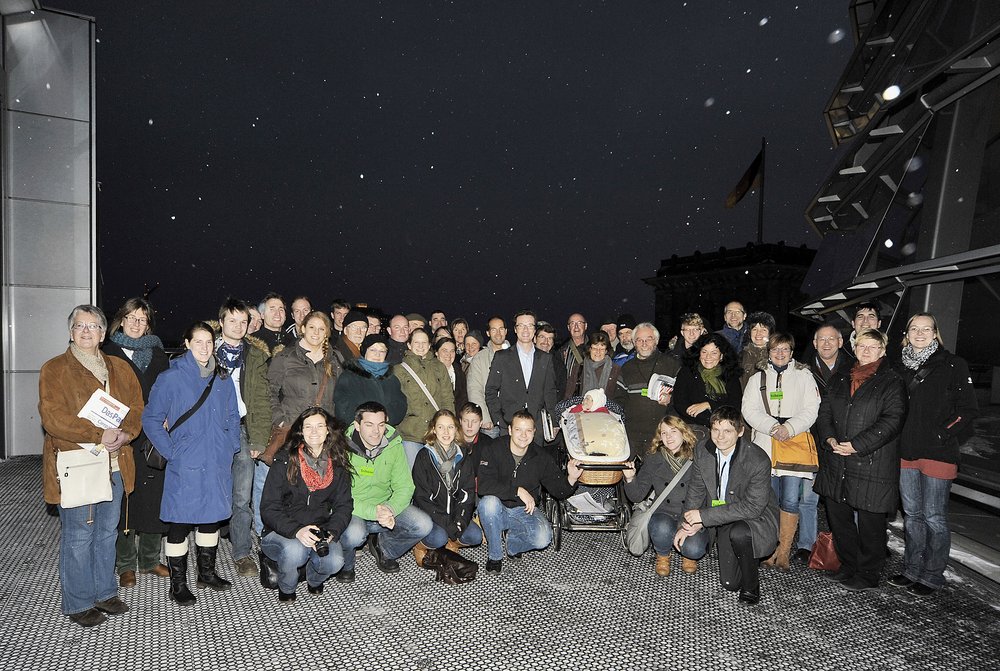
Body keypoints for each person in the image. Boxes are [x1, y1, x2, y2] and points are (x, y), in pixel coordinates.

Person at [40, 305, 144, 627]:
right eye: (79, 326)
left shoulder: (120, 368)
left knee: (106, 533)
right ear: (71, 333)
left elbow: (137, 408)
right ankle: (78, 602)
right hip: (79, 464)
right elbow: (54, 419)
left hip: (116, 463)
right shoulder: (54, 369)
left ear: (102, 334)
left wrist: (126, 434)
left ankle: (104, 592)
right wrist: (99, 434)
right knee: (79, 536)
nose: (86, 331)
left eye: (93, 326)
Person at [142, 321, 241, 606]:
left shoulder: (222, 377)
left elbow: (233, 417)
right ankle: (178, 584)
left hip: (217, 459)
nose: (204, 347)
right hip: (185, 461)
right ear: (186, 344)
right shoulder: (171, 378)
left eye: (209, 342)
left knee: (211, 517)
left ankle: (206, 574)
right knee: (180, 522)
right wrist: (171, 451)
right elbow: (151, 419)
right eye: (198, 341)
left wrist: (231, 446)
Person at [889, 313, 978, 596]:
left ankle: (932, 575)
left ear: (935, 333)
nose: (920, 333)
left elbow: (968, 409)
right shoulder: (899, 366)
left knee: (934, 517)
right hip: (906, 453)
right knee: (912, 516)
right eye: (914, 329)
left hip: (939, 454)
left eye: (926, 329)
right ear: (906, 334)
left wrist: (942, 434)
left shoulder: (952, 364)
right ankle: (911, 569)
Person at [814, 329, 907, 592]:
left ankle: (868, 574)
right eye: (861, 345)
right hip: (838, 460)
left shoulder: (892, 381)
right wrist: (829, 439)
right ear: (854, 349)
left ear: (882, 350)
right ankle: (848, 565)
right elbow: (824, 412)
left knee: (870, 522)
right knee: (839, 517)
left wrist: (857, 445)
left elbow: (892, 420)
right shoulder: (840, 378)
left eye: (872, 346)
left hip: (872, 461)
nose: (866, 351)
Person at [673, 407, 779, 605]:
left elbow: (753, 507)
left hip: (751, 518)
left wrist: (704, 517)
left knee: (740, 534)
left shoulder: (757, 460)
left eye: (727, 431)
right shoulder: (702, 450)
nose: (720, 437)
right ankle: (741, 551)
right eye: (715, 430)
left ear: (740, 431)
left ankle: (751, 585)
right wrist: (685, 524)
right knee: (729, 583)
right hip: (719, 513)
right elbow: (696, 490)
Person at [104, 298, 171, 589]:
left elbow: (167, 390)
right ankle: (126, 564)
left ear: (148, 325)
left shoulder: (158, 353)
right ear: (121, 320)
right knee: (126, 497)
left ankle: (149, 558)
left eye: (142, 319)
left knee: (154, 495)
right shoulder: (108, 352)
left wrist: (168, 417)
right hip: (122, 433)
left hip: (153, 433)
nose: (135, 323)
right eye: (131, 317)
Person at [740, 333, 820, 571]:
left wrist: (789, 428)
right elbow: (749, 409)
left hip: (793, 442)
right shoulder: (758, 378)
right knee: (770, 498)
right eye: (775, 349)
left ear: (792, 352)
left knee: (790, 499)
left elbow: (812, 408)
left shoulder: (804, 376)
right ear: (769, 353)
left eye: (785, 349)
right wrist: (773, 427)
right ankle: (770, 547)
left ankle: (783, 551)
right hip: (766, 442)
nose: (780, 353)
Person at [260, 310, 342, 535]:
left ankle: (315, 529)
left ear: (327, 333)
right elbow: (268, 392)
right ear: (302, 328)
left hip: (322, 434)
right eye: (312, 327)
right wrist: (280, 418)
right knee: (282, 482)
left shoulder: (334, 360)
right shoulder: (285, 357)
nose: (316, 332)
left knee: (317, 482)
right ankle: (269, 534)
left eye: (322, 329)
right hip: (292, 431)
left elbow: (340, 395)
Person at [259, 408, 354, 601]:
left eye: (320, 426)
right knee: (296, 551)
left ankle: (313, 578)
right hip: (282, 529)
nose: (314, 431)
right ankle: (287, 588)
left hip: (320, 527)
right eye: (308, 427)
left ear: (328, 430)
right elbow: (269, 507)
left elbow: (344, 505)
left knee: (335, 561)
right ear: (301, 431)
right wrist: (296, 531)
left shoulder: (337, 463)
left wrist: (332, 532)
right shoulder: (285, 460)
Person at [476, 411, 583, 573]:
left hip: (524, 510)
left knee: (543, 539)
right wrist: (517, 491)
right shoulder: (493, 448)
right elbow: (484, 486)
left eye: (528, 430)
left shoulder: (541, 457)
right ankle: (495, 555)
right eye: (518, 429)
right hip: (498, 508)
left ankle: (513, 543)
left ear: (534, 432)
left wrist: (571, 478)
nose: (523, 435)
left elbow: (558, 491)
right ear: (510, 430)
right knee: (488, 503)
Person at [338, 402, 434, 581]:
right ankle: (347, 564)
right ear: (357, 425)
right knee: (354, 535)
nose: (376, 431)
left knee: (423, 524)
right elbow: (339, 497)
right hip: (353, 508)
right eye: (369, 425)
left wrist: (390, 508)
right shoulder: (341, 448)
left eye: (381, 425)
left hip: (384, 505)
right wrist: (373, 512)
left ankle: (384, 548)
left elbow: (405, 486)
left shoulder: (393, 444)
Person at [214, 298, 272, 578]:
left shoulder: (256, 356)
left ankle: (241, 552)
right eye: (232, 321)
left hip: (242, 429)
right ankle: (205, 554)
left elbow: (261, 401)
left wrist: (259, 440)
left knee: (241, 495)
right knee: (211, 490)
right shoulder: (205, 350)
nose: (238, 327)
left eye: (243, 322)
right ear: (221, 322)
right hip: (211, 430)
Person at [624, 415, 700, 576]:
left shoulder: (698, 457)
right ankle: (663, 554)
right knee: (661, 528)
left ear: (683, 433)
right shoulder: (654, 458)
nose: (668, 437)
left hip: (690, 514)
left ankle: (688, 555)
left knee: (695, 549)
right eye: (664, 433)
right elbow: (637, 496)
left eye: (673, 431)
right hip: (664, 511)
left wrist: (701, 520)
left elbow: (707, 493)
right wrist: (630, 478)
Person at [411, 410, 483, 567]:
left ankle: (452, 544)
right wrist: (446, 522)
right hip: (431, 514)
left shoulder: (463, 456)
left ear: (456, 429)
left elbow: (467, 493)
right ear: (434, 429)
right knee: (439, 537)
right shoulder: (424, 456)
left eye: (450, 427)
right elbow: (422, 497)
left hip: (454, 512)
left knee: (475, 536)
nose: (446, 432)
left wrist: (460, 521)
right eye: (441, 427)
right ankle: (419, 546)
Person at [485, 310, 559, 435]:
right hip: (509, 426)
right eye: (521, 325)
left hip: (536, 427)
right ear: (515, 329)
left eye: (530, 325)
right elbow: (490, 390)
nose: (525, 330)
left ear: (534, 330)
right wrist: (499, 420)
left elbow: (550, 393)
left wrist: (553, 422)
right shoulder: (502, 357)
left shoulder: (545, 359)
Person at [614, 322, 680, 460]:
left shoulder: (671, 364)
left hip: (661, 436)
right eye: (639, 340)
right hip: (631, 435)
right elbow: (619, 400)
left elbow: (683, 396)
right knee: (630, 472)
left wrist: (671, 399)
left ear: (656, 341)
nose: (644, 344)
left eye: (648, 339)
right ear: (634, 343)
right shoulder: (627, 368)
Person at [395, 328, 456, 467]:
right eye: (417, 342)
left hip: (436, 432)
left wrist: (449, 426)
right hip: (410, 433)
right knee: (414, 473)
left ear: (429, 345)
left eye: (424, 342)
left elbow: (447, 398)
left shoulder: (439, 367)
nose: (421, 346)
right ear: (409, 345)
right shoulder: (399, 370)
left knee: (437, 473)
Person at [333, 333, 406, 426]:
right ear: (364, 351)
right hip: (358, 429)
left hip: (385, 428)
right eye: (373, 350)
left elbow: (400, 403)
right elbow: (342, 404)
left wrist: (388, 417)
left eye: (382, 351)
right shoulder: (349, 376)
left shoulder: (391, 379)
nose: (377, 354)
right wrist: (363, 422)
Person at [672, 333, 742, 427]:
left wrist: (709, 405)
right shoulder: (687, 372)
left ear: (721, 356)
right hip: (692, 426)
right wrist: (707, 420)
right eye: (704, 352)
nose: (708, 357)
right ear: (699, 353)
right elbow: (680, 403)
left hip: (723, 426)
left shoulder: (730, 375)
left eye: (714, 353)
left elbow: (735, 405)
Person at [465, 316, 509, 438]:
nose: (498, 333)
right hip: (490, 422)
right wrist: (484, 417)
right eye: (494, 329)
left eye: (501, 329)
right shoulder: (479, 358)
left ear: (506, 331)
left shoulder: (516, 355)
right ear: (488, 333)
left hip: (512, 420)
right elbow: (474, 389)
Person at [563, 331, 621, 401]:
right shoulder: (579, 367)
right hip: (582, 406)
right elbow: (569, 393)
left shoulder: (615, 369)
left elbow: (620, 396)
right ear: (589, 349)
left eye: (602, 349)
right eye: (595, 348)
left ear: (606, 351)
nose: (598, 352)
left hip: (607, 407)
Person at [738, 311, 776, 389]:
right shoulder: (741, 356)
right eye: (754, 329)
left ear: (770, 333)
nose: (758, 333)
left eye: (763, 330)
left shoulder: (778, 355)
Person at [435, 336, 468, 410]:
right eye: (445, 351)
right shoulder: (430, 372)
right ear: (436, 352)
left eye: (452, 351)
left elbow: (463, 399)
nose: (448, 355)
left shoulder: (459, 372)